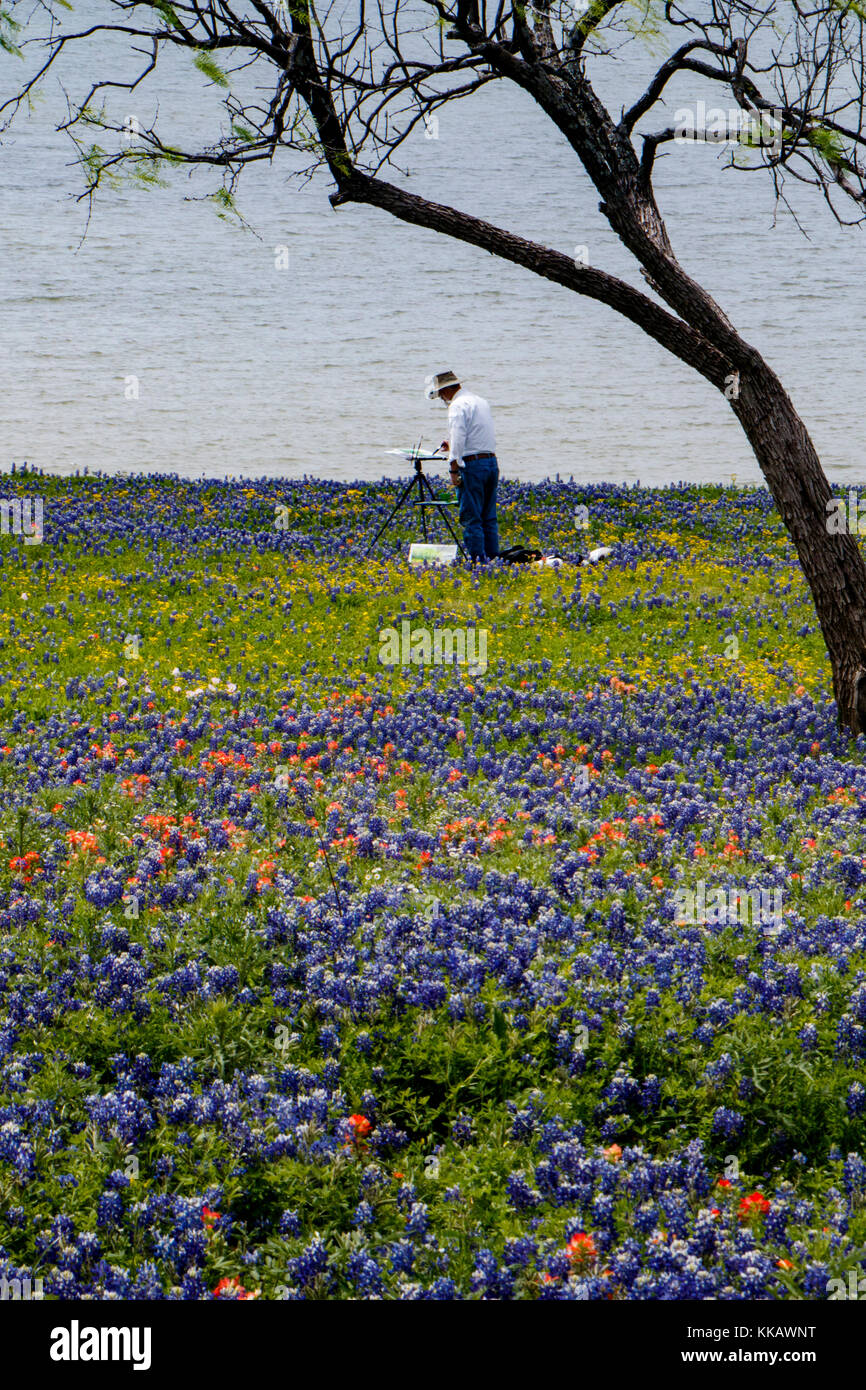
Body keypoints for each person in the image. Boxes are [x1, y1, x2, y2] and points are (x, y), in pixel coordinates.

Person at [426, 369, 499, 563]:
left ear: (447, 390)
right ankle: (494, 561)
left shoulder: (457, 406)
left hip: (472, 467)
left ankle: (478, 564)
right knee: (488, 517)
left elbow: (458, 437)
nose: (442, 399)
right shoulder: (480, 401)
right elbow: (478, 434)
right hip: (490, 462)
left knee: (471, 518)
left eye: (441, 394)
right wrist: (454, 446)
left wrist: (453, 467)